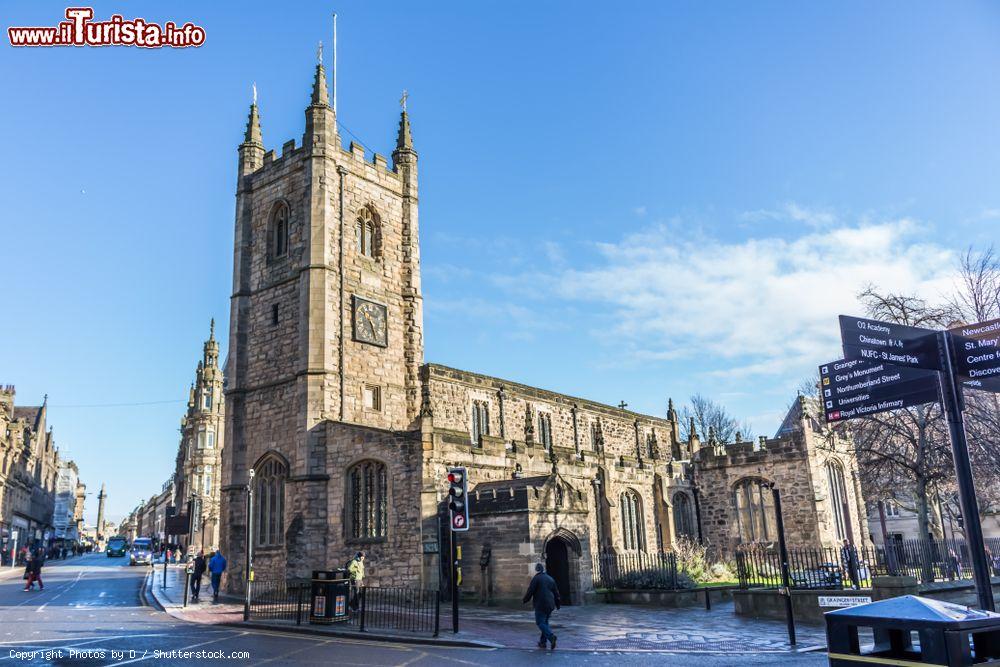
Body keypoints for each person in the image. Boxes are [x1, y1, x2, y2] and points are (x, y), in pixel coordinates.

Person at [522, 563, 560, 650]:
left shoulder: (536, 578)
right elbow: (556, 593)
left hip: (541, 604)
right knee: (545, 622)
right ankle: (543, 642)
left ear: (537, 570)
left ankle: (551, 637)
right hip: (550, 604)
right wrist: (557, 604)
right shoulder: (550, 578)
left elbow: (530, 591)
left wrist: (525, 600)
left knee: (540, 622)